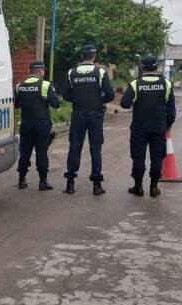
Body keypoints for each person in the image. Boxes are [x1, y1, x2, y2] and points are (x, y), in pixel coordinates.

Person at [120, 56, 176, 198]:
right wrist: (168, 125)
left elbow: (125, 104)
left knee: (138, 156)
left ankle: (138, 187)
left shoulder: (135, 84)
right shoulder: (167, 84)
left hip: (140, 127)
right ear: (157, 67)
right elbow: (171, 110)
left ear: (142, 67)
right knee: (157, 157)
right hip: (159, 126)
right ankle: (154, 187)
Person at [62, 44, 114, 195]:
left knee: (74, 148)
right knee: (95, 149)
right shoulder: (100, 72)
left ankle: (70, 184)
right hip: (95, 115)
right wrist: (98, 100)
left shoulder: (72, 72)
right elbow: (110, 94)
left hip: (78, 114)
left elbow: (66, 95)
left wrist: (78, 100)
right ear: (94, 56)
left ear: (81, 56)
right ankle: (97, 185)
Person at [15, 61, 61, 191]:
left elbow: (16, 104)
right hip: (42, 124)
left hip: (26, 124)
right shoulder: (45, 85)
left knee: (24, 152)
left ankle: (21, 180)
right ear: (40, 71)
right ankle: (42, 182)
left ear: (31, 71)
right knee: (41, 152)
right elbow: (56, 103)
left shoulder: (20, 86)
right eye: (43, 70)